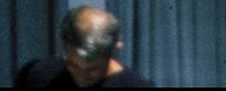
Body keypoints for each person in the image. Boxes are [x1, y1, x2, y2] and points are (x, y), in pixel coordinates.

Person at [13, 5, 155, 89]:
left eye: (93, 69)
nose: (81, 76)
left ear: (115, 50)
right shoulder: (40, 76)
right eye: (72, 65)